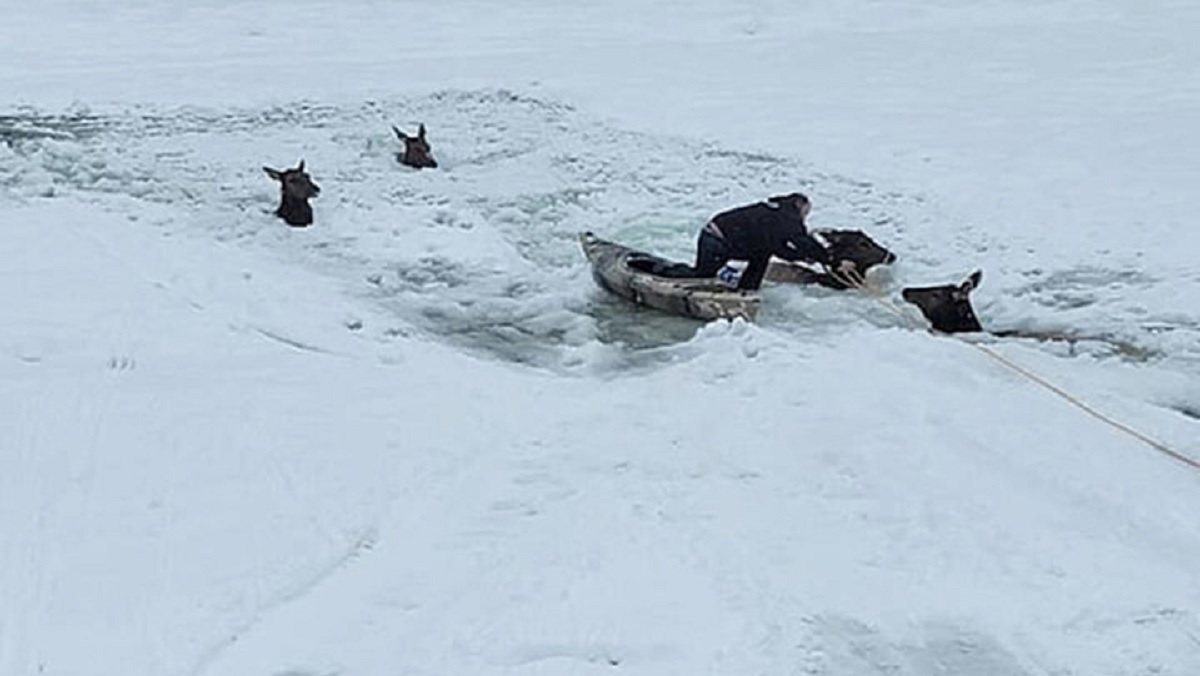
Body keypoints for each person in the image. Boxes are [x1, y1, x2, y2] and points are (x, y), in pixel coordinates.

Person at [680, 192, 833, 290]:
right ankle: (661, 271)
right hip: (716, 238)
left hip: (725, 238)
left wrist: (803, 257)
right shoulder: (786, 215)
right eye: (805, 213)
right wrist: (829, 258)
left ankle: (748, 289)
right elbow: (802, 240)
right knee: (700, 277)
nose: (804, 219)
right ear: (799, 205)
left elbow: (776, 247)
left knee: (761, 254)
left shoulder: (776, 212)